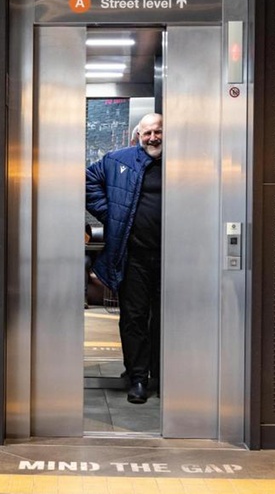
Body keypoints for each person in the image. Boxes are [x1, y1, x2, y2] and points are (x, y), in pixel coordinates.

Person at [85, 113, 163, 404]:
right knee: (134, 318)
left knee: (166, 319)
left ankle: (162, 373)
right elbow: (88, 181)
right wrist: (111, 215)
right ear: (138, 136)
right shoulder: (119, 159)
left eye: (158, 131)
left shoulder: (182, 163)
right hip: (133, 257)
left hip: (174, 259)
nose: (153, 138)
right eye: (148, 133)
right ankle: (138, 377)